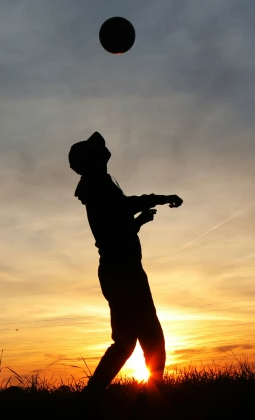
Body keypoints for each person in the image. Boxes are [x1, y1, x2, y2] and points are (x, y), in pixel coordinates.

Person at [69, 131, 183, 392]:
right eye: (98, 152)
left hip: (114, 270)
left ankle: (90, 398)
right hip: (125, 272)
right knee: (152, 338)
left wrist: (139, 223)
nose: (105, 153)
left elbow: (114, 231)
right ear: (93, 160)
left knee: (124, 343)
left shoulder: (96, 186)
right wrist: (161, 198)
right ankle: (155, 400)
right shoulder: (98, 185)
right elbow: (123, 208)